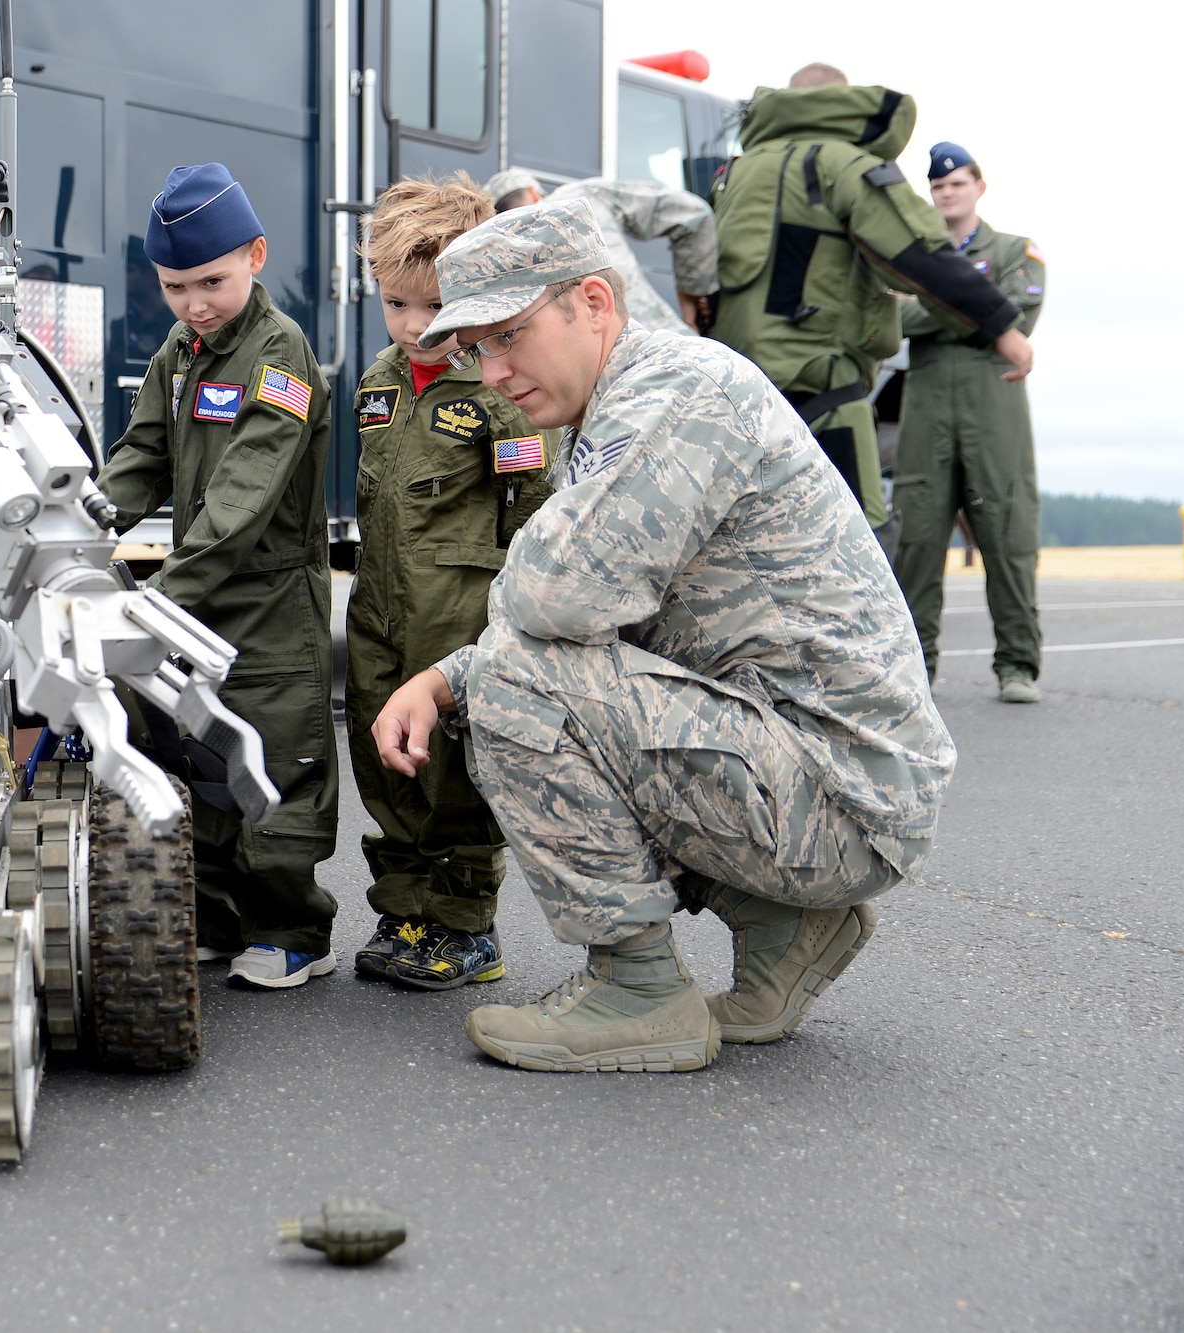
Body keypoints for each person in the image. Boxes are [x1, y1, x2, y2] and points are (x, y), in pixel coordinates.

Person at [370, 200, 954, 1073]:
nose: (491, 372)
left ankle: (638, 990)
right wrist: (441, 677)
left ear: (595, 303)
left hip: (837, 793)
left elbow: (554, 598)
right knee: (511, 674)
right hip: (815, 771)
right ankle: (786, 925)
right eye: (477, 349)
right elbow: (591, 612)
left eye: (510, 335)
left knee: (518, 686)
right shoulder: (612, 408)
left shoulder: (677, 394)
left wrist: (469, 674)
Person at [95, 162, 340, 990]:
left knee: (275, 756)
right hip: (199, 598)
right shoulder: (180, 351)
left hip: (270, 599)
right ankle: (226, 916)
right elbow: (142, 458)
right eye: (175, 287)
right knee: (198, 752)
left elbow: (243, 495)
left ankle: (294, 928)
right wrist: (80, 528)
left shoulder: (282, 353)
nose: (195, 303)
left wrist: (162, 597)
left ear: (256, 257)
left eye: (212, 280)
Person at [345, 174, 555, 990]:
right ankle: (404, 911)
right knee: (383, 759)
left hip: (458, 609)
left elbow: (532, 506)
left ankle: (466, 926)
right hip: (380, 605)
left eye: (434, 307)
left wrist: (514, 613)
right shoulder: (378, 384)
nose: (416, 327)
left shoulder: (497, 391)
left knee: (455, 772)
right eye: (397, 305)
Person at [709, 65, 1031, 556]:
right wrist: (1002, 328)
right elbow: (916, 255)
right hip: (822, 395)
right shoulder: (843, 164)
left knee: (751, 555)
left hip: (735, 398)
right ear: (841, 103)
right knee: (861, 553)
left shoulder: (734, 172)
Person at [890, 143, 1047, 701]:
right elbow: (892, 319)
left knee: (1008, 535)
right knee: (917, 541)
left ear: (979, 186)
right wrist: (977, 311)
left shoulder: (1013, 248)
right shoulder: (910, 259)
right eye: (937, 187)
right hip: (927, 411)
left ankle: (1017, 666)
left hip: (992, 411)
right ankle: (914, 670)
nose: (946, 193)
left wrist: (932, 306)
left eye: (956, 183)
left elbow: (1019, 311)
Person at [482, 168, 718, 337]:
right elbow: (695, 214)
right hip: (670, 341)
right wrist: (692, 299)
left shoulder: (507, 257)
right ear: (534, 192)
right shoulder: (581, 194)